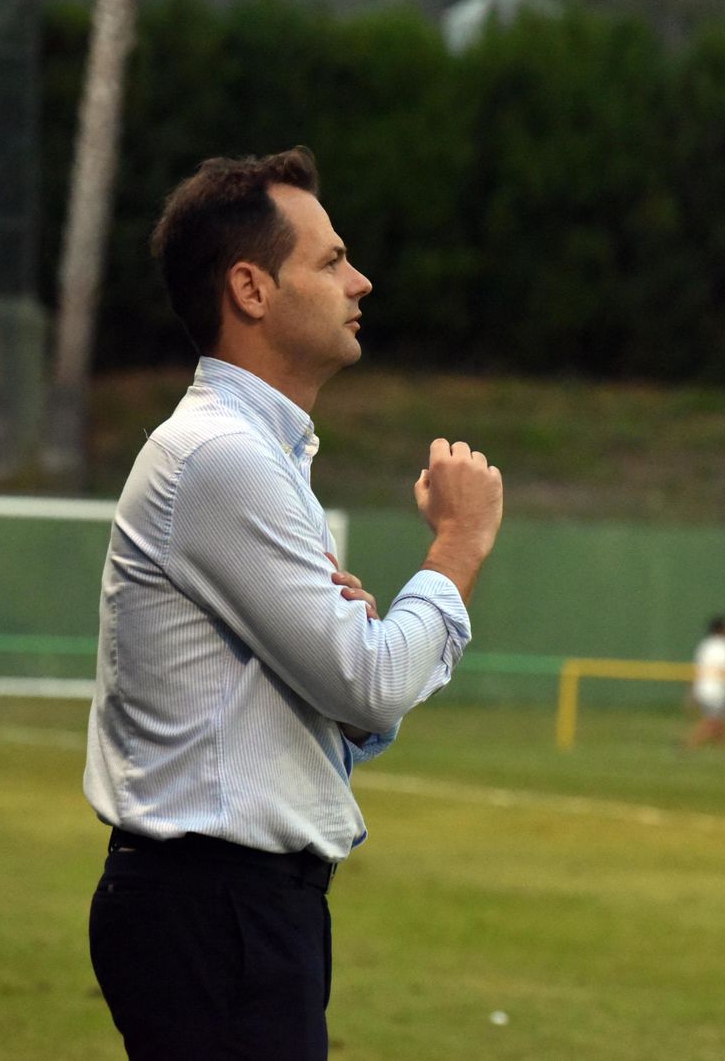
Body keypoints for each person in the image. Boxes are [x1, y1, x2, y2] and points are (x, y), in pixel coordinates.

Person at [82, 147, 504, 1060]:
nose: (361, 280)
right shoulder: (223, 457)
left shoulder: (253, 455)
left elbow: (347, 706)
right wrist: (459, 543)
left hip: (230, 909)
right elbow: (370, 685)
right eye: (329, 259)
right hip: (217, 907)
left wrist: (362, 658)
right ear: (251, 288)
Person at [685, 615, 725, 749]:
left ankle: (724, 750)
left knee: (721, 722)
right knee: (713, 721)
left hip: (703, 687)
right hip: (718, 689)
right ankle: (690, 745)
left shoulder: (705, 645)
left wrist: (692, 690)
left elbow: (698, 668)